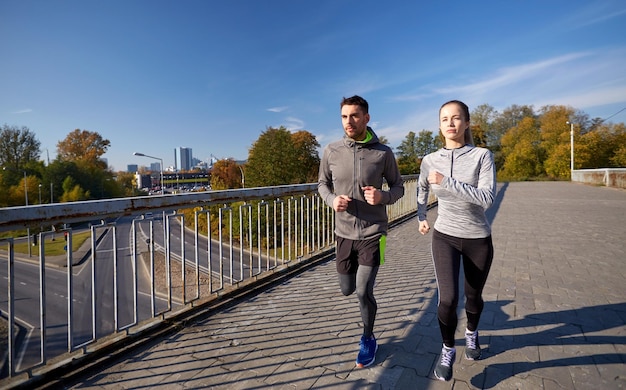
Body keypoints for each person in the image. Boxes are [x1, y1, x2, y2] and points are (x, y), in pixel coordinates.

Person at [318, 95, 404, 368]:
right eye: (344, 116)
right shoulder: (331, 150)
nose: (349, 121)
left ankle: (368, 338)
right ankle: (359, 294)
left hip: (373, 232)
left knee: (362, 291)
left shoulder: (383, 153)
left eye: (354, 116)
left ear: (366, 118)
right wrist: (333, 201)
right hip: (343, 234)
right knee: (347, 289)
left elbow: (398, 187)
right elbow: (321, 184)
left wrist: (383, 197)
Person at [417, 100, 496, 381]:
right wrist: (421, 216)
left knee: (473, 296)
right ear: (439, 126)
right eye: (444, 119)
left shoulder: (482, 156)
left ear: (467, 123)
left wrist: (447, 182)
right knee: (448, 300)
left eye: (456, 118)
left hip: (477, 239)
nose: (450, 123)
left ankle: (472, 334)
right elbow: (422, 187)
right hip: (445, 236)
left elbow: (487, 199)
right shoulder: (429, 160)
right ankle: (448, 348)